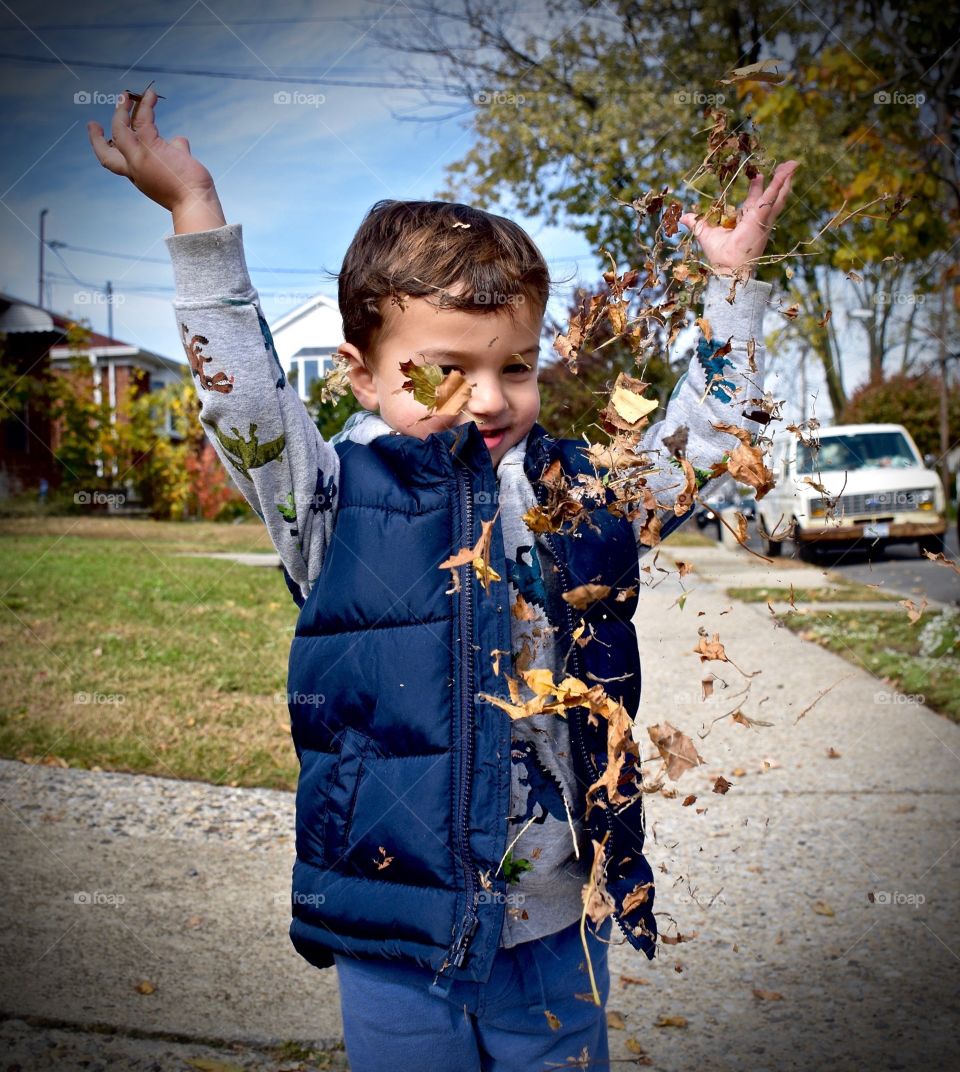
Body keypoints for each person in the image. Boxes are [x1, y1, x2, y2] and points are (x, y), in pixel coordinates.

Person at [89, 88, 797, 1072]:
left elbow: (706, 445)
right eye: (445, 371)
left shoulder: (572, 495)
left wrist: (731, 289)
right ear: (362, 374)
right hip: (397, 930)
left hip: (555, 924)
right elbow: (244, 400)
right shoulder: (333, 499)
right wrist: (195, 214)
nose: (491, 398)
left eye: (518, 365)